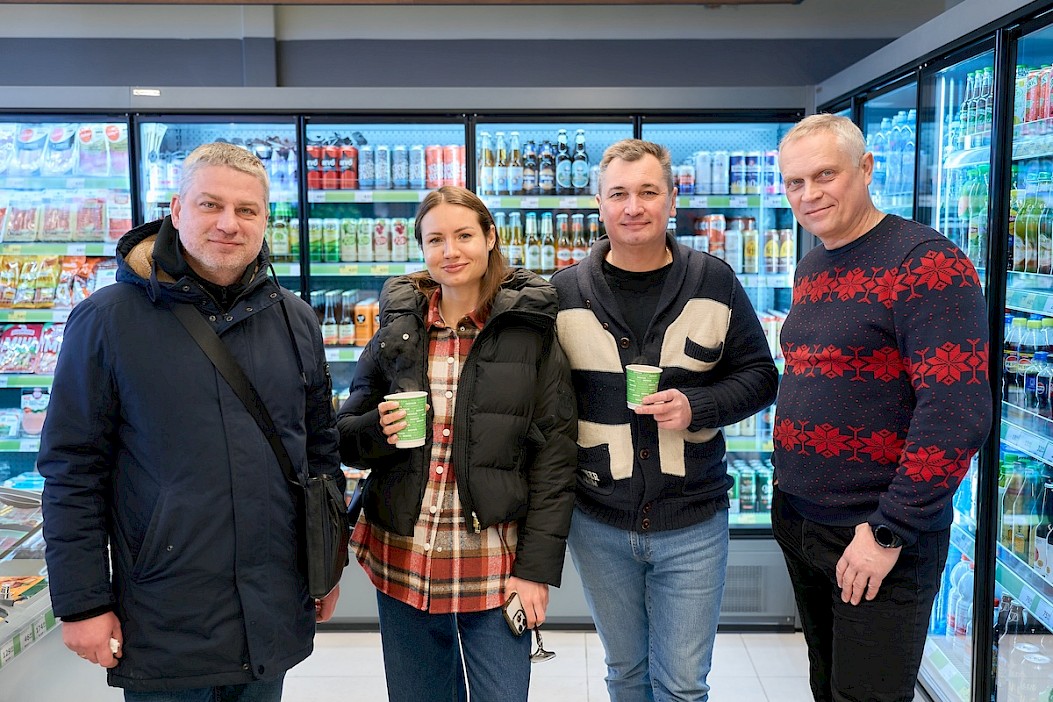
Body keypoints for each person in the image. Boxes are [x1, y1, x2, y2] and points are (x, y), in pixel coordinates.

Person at [37, 142, 343, 700]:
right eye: (210, 205)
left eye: (247, 210)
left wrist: (326, 563)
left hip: (271, 610)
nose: (229, 223)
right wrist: (82, 602)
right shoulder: (107, 320)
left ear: (265, 221)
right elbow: (72, 472)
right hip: (164, 615)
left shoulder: (295, 318)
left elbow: (319, 453)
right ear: (176, 211)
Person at [772, 113, 992, 702]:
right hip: (803, 521)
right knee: (828, 688)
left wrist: (889, 531)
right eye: (795, 182)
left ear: (866, 168)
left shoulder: (926, 263)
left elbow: (957, 411)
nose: (809, 194)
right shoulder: (813, 264)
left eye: (825, 175)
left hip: (877, 533)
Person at [550, 139, 779, 702]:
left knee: (681, 685)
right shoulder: (562, 292)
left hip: (693, 520)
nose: (633, 207)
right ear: (599, 204)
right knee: (626, 674)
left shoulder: (715, 281)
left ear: (673, 199)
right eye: (618, 194)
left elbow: (760, 376)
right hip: (598, 521)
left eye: (648, 192)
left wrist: (699, 406)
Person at [337, 185, 577, 702]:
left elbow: (555, 460)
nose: (450, 251)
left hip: (493, 560)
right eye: (435, 240)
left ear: (490, 237)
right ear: (422, 248)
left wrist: (535, 572)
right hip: (405, 554)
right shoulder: (398, 331)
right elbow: (345, 438)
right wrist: (380, 430)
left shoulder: (530, 332)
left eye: (464, 235)